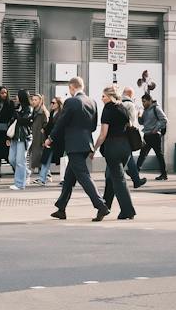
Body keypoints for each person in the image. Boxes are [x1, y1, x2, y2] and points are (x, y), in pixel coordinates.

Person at [48, 77, 106, 220]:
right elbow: (93, 126)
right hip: (86, 142)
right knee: (69, 177)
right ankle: (61, 208)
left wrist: (51, 138)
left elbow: (61, 122)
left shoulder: (71, 101)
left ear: (71, 87)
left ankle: (101, 205)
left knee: (83, 176)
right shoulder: (92, 101)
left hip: (74, 144)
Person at [93, 86, 139, 220]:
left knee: (118, 179)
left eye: (103, 96)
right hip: (126, 147)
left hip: (113, 147)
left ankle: (128, 211)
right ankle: (104, 209)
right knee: (110, 178)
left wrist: (94, 149)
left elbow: (103, 134)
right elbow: (130, 124)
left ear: (110, 96)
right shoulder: (122, 108)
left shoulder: (108, 109)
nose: (102, 98)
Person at [29, 94, 58, 188]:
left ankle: (45, 176)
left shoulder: (43, 112)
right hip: (35, 137)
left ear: (40, 101)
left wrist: (44, 134)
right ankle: (44, 176)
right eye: (32, 100)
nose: (33, 101)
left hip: (41, 138)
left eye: (35, 100)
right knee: (39, 157)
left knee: (40, 157)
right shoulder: (33, 111)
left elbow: (47, 125)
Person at [137, 93, 168, 180]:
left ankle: (164, 174)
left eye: (144, 101)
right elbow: (142, 122)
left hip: (154, 136)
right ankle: (135, 171)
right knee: (142, 154)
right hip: (147, 135)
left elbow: (164, 119)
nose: (143, 103)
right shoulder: (145, 110)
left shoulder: (156, 108)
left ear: (150, 100)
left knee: (159, 155)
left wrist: (156, 128)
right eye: (142, 102)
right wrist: (139, 116)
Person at [7, 88, 33, 190]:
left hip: (24, 137)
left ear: (22, 97)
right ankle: (26, 172)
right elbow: (12, 121)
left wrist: (17, 114)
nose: (16, 98)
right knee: (12, 159)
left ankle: (19, 184)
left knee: (20, 161)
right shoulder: (17, 107)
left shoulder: (29, 108)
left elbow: (24, 121)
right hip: (14, 136)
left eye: (18, 96)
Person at [0, 86, 19, 179]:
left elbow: (13, 117)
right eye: (2, 93)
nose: (4, 95)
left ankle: (17, 172)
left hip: (6, 132)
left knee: (8, 155)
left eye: (5, 93)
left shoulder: (10, 103)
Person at [120, 87, 145, 187]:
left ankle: (135, 178)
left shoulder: (118, 103)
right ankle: (136, 179)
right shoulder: (130, 105)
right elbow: (132, 122)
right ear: (130, 94)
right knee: (128, 157)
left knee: (125, 157)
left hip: (116, 135)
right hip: (126, 136)